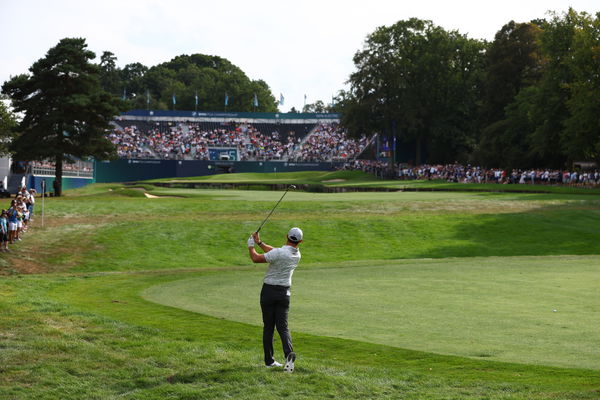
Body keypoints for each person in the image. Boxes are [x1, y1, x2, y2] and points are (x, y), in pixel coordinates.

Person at [247, 227, 303, 373]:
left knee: (269, 327)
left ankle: (269, 361)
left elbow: (256, 258)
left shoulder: (279, 253)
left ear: (287, 236)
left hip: (269, 292)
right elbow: (274, 252)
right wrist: (260, 242)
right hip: (284, 294)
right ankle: (288, 354)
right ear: (300, 241)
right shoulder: (297, 255)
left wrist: (251, 245)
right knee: (283, 327)